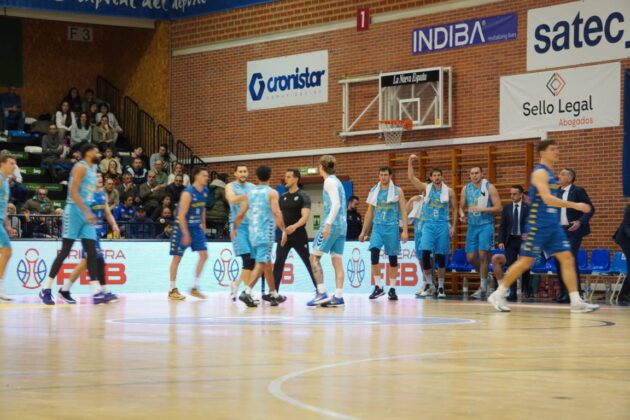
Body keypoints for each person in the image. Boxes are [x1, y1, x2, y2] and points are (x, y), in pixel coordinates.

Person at [487, 140, 598, 313]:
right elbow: (547, 199)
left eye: (557, 148)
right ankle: (499, 293)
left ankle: (575, 300)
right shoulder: (540, 173)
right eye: (553, 149)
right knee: (525, 261)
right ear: (542, 153)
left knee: (568, 259)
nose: (557, 152)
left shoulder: (551, 174)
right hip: (538, 224)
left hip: (552, 225)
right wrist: (575, 205)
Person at [39, 144, 110, 305]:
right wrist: (86, 210)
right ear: (88, 153)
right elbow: (73, 192)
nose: (98, 153)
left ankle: (96, 291)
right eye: (96, 151)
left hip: (86, 213)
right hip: (74, 211)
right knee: (65, 251)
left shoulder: (94, 168)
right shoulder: (80, 167)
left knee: (91, 252)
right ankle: (46, 288)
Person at [58, 172, 121, 304]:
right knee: (99, 262)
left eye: (100, 177)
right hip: (88, 233)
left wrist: (114, 225)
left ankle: (64, 290)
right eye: (96, 177)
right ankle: (103, 291)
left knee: (84, 263)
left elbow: (107, 213)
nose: (99, 179)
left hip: (97, 233)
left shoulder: (103, 195)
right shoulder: (86, 195)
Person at [234, 165, 286, 307]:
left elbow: (241, 213)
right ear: (270, 175)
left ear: (256, 176)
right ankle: (247, 291)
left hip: (253, 233)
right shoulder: (272, 193)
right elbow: (277, 212)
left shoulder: (251, 193)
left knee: (267, 264)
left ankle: (273, 294)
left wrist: (234, 229)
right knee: (262, 263)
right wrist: (284, 230)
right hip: (266, 233)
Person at [408, 155, 458, 299]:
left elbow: (454, 209)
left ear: (442, 177)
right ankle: (429, 284)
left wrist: (453, 226)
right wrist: (410, 162)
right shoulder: (426, 187)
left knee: (441, 257)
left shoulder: (449, 191)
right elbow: (412, 178)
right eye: (434, 175)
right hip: (428, 225)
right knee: (424, 254)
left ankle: (441, 287)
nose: (437, 177)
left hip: (442, 224)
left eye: (439, 175)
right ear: (431, 177)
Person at [359, 166, 408, 301]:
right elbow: (370, 212)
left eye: (385, 175)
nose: (383, 177)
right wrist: (363, 231)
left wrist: (404, 230)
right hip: (378, 227)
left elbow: (403, 211)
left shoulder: (398, 191)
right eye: (381, 175)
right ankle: (378, 286)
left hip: (392, 227)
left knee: (393, 258)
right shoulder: (374, 190)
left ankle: (392, 289)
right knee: (374, 253)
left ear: (390, 176)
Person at [307, 155, 347, 307]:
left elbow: (335, 204)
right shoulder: (337, 181)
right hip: (342, 226)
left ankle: (321, 292)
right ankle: (338, 296)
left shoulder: (329, 181)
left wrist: (328, 224)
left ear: (321, 166)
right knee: (337, 261)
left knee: (314, 258)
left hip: (333, 225)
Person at [459, 166, 502, 299]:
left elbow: (499, 208)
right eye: (472, 173)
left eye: (477, 173)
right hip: (472, 226)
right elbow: (461, 206)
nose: (474, 175)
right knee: (470, 258)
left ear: (481, 174)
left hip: (486, 225)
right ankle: (487, 276)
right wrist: (462, 215)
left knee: (484, 256)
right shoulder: (466, 188)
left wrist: (482, 209)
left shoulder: (489, 187)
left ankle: (482, 287)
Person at [272, 169, 317, 296]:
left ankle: (320, 290)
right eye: (285, 176)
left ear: (296, 179)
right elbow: (279, 217)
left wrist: (294, 226)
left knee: (308, 262)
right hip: (284, 236)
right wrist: (281, 230)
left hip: (299, 235)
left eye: (289, 177)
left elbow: (305, 217)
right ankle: (274, 294)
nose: (286, 179)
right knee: (278, 263)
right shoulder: (283, 197)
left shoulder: (304, 196)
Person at [168, 167, 209, 300]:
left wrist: (203, 225)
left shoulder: (205, 191)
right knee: (177, 258)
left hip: (196, 227)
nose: (207, 178)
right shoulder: (187, 193)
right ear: (196, 176)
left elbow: (202, 209)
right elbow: (181, 214)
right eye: (204, 175)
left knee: (204, 255)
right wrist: (185, 234)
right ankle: (172, 289)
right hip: (182, 227)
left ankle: (194, 287)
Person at [555, 168, 595, 303]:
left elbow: (590, 209)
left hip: (572, 230)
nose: (558, 176)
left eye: (562, 174)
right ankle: (563, 293)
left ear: (570, 178)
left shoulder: (577, 191)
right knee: (558, 261)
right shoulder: (556, 192)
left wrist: (580, 221)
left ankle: (574, 294)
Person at [225, 163, 255, 301]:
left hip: (252, 227)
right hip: (238, 227)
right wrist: (248, 196)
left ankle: (236, 284)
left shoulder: (252, 186)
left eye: (245, 171)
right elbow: (232, 199)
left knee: (252, 262)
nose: (243, 173)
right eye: (240, 171)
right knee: (247, 260)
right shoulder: (230, 186)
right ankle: (247, 291)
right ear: (235, 174)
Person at [498, 185, 530, 301]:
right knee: (511, 266)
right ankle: (512, 292)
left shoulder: (528, 208)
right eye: (511, 194)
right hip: (511, 240)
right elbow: (502, 226)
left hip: (523, 240)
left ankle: (526, 288)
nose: (512, 196)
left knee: (525, 265)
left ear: (521, 194)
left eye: (514, 194)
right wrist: (501, 240)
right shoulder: (507, 208)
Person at [0, 155, 18, 301]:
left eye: (15, 164)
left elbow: (3, 207)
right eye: (11, 163)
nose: (14, 166)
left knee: (7, 251)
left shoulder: (6, 181)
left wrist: (7, 225)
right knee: (7, 251)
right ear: (2, 164)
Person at [613, 203, 630, 302]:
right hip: (625, 239)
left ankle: (623, 294)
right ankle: (623, 294)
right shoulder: (629, 207)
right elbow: (627, 226)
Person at [406, 193, 425, 281]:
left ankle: (430, 283)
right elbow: (404, 215)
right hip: (418, 234)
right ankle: (425, 282)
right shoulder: (417, 200)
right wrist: (410, 201)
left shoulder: (434, 200)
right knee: (421, 260)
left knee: (429, 260)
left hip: (428, 235)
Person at [206, 173, 229, 239]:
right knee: (219, 231)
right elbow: (228, 201)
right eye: (227, 180)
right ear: (224, 180)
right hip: (219, 216)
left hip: (207, 215)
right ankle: (218, 243)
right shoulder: (222, 189)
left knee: (209, 232)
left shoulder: (210, 187)